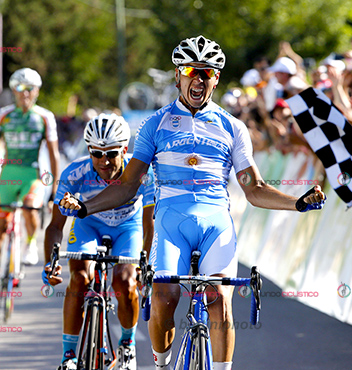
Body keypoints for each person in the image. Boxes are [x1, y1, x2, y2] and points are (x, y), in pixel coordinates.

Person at [57, 36, 326, 370]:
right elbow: (128, 186)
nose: (198, 79)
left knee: (219, 301)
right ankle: (161, 363)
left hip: (216, 222)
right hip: (171, 223)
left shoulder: (233, 127)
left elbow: (254, 189)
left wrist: (297, 203)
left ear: (216, 79)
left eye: (207, 72)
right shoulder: (154, 125)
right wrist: (85, 208)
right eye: (190, 71)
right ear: (177, 76)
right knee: (164, 296)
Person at [43, 113, 155, 370]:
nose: (104, 161)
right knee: (80, 279)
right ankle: (68, 356)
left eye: (112, 153)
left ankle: (127, 346)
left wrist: (144, 265)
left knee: (125, 281)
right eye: (97, 153)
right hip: (89, 225)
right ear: (89, 150)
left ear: (125, 149)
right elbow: (55, 226)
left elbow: (149, 225)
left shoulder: (142, 174)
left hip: (129, 226)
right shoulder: (75, 172)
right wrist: (50, 263)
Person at [0, 68, 60, 266]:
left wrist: (54, 191)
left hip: (32, 174)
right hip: (8, 173)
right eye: (20, 87)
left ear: (37, 91)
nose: (24, 93)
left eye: (30, 88)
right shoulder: (4, 115)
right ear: (13, 90)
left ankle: (31, 243)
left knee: (30, 208)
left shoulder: (44, 117)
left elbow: (54, 155)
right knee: (1, 223)